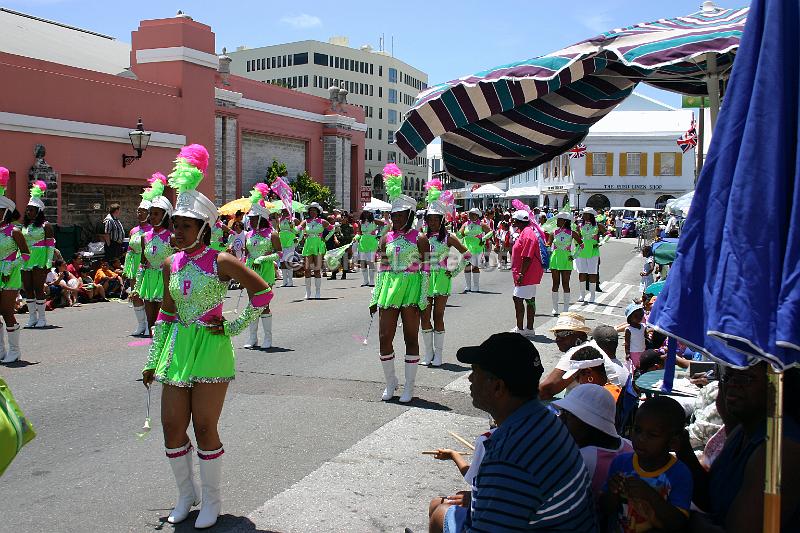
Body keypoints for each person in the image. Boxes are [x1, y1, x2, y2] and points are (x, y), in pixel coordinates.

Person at [142, 144, 272, 529]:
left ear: (202, 227)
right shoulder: (168, 263)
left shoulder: (221, 261)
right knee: (170, 425)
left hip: (212, 349)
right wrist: (151, 360)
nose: (177, 231)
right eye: (175, 224)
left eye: (185, 225)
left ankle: (212, 500)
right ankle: (186, 494)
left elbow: (263, 292)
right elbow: (165, 315)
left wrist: (232, 326)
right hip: (179, 349)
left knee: (203, 427)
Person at [444, 332, 597, 531]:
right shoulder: (548, 419)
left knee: (442, 513)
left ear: (498, 387)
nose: (470, 379)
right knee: (443, 510)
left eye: (475, 371)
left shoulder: (508, 456)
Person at [678, 364, 800, 533]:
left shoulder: (780, 450)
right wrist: (682, 446)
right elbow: (711, 500)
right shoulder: (742, 430)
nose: (732, 384)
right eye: (728, 376)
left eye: (745, 378)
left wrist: (678, 517)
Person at [369, 163, 429, 403]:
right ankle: (390, 381)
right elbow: (381, 269)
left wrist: (423, 298)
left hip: (412, 289)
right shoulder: (385, 238)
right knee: (384, 337)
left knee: (411, 338)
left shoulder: (421, 239)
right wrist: (375, 296)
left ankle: (409, 386)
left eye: (400, 215)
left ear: (410, 216)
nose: (395, 218)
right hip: (389, 289)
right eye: (393, 215)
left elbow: (427, 270)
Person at [601, 397, 693, 533]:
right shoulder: (620, 463)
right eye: (637, 430)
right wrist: (612, 492)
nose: (641, 438)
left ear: (673, 442)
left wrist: (651, 496)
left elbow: (678, 523)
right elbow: (604, 509)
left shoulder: (680, 474)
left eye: (652, 435)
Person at [553, 384, 633, 502]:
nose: (561, 419)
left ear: (587, 423)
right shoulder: (630, 445)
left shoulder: (583, 459)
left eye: (567, 414)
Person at [419, 180, 469, 367]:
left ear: (441, 221)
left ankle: (438, 355)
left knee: (438, 315)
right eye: (429, 219)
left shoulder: (449, 237)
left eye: (435, 219)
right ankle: (428, 354)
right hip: (424, 278)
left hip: (441, 279)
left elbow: (468, 254)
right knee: (424, 316)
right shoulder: (421, 237)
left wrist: (454, 270)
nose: (432, 222)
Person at [427, 427, 496, 533]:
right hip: (496, 501)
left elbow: (472, 476)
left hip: (494, 514)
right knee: (437, 502)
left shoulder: (488, 439)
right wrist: (454, 455)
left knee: (439, 511)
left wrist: (475, 498)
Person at [242, 184, 281, 349]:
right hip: (251, 269)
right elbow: (246, 253)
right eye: (249, 218)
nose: (250, 220)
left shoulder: (272, 234)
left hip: (265, 270)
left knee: (264, 304)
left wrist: (264, 258)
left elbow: (279, 253)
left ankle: (268, 338)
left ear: (261, 218)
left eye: (253, 218)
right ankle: (252, 338)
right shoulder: (248, 234)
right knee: (252, 303)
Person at [0, 167, 31, 364]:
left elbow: (26, 255)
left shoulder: (15, 231)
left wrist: (10, 267)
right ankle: (1, 350)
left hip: (10, 273)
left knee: (6, 311)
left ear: (7, 211)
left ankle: (15, 350)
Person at [138, 173, 174, 334]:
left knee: (162, 322)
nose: (151, 217)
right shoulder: (145, 237)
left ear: (165, 215)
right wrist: (138, 285)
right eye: (151, 213)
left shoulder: (172, 237)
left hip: (166, 280)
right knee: (151, 322)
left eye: (156, 214)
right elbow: (142, 262)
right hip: (149, 280)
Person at [21, 180, 55, 328]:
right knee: (27, 288)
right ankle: (32, 318)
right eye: (27, 209)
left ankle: (42, 318)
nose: (28, 212)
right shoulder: (24, 226)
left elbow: (50, 246)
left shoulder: (45, 226)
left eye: (31, 209)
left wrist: (48, 262)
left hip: (40, 259)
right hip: (25, 259)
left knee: (38, 288)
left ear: (38, 211)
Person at [538, 312, 592, 400]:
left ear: (580, 335)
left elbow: (544, 390)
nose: (557, 339)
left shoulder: (576, 353)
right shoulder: (589, 345)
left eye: (563, 334)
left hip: (582, 405)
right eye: (556, 334)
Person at [509, 210, 543, 337]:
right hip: (528, 272)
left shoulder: (528, 234)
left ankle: (521, 329)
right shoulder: (525, 231)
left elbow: (527, 257)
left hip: (527, 273)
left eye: (514, 219)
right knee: (530, 299)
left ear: (519, 221)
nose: (512, 221)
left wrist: (521, 274)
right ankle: (529, 329)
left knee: (518, 299)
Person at [123, 190, 152, 334]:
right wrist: (127, 269)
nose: (139, 214)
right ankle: (140, 324)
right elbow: (129, 249)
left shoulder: (152, 230)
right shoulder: (133, 230)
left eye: (143, 211)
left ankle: (148, 324)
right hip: (134, 265)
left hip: (147, 265)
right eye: (138, 211)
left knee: (145, 294)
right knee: (135, 294)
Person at [548, 212, 583, 315]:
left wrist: (574, 256)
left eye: (559, 220)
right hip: (555, 259)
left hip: (567, 259)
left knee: (565, 283)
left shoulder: (572, 233)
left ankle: (566, 309)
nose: (557, 221)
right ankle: (555, 308)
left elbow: (581, 245)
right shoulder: (553, 232)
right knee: (555, 283)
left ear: (564, 221)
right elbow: (548, 244)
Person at [298, 202, 332, 300]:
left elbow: (332, 229)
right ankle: (308, 292)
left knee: (317, 269)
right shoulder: (305, 221)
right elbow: (298, 230)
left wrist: (326, 238)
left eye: (314, 210)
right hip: (308, 245)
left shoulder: (322, 221)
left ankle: (318, 292)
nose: (312, 212)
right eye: (311, 210)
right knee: (307, 268)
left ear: (317, 212)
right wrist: (295, 229)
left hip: (318, 245)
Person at [458, 208, 493, 293]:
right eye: (470, 214)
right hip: (466, 247)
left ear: (477, 215)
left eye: (473, 214)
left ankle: (476, 286)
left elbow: (491, 232)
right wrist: (458, 232)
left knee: (475, 267)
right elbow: (459, 235)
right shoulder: (465, 224)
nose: (471, 215)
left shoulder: (481, 224)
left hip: (477, 248)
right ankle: (468, 286)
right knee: (467, 266)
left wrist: (484, 238)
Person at [356, 210, 383, 287]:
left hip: (372, 242)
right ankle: (365, 280)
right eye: (365, 212)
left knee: (371, 261)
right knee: (362, 262)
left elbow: (386, 224)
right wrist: (356, 237)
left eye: (368, 212)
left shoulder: (374, 221)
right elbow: (359, 233)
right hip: (363, 243)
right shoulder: (360, 222)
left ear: (370, 213)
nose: (366, 214)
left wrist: (380, 234)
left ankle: (371, 281)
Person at [277, 208, 299, 287]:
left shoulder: (293, 219)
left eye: (286, 211)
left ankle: (290, 281)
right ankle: (284, 281)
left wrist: (291, 225)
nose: (284, 212)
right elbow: (278, 230)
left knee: (288, 260)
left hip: (290, 240)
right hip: (282, 240)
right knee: (282, 260)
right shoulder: (280, 220)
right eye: (283, 211)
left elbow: (298, 231)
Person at [624, 303, 647, 370]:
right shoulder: (629, 329)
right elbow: (627, 343)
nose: (639, 318)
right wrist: (627, 353)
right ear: (630, 318)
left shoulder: (643, 326)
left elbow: (645, 336)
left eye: (641, 316)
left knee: (642, 365)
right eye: (636, 316)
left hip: (643, 350)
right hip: (634, 352)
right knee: (635, 366)